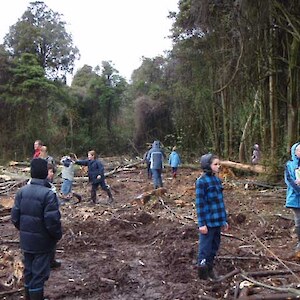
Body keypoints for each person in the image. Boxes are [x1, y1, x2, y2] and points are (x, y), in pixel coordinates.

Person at [11, 158, 62, 300]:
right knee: (39, 274)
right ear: (45, 172)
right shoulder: (48, 194)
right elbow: (52, 222)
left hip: (26, 242)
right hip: (42, 243)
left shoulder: (21, 192)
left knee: (29, 272)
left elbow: (15, 218)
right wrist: (56, 235)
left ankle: (29, 297)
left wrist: (25, 231)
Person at [195, 153, 228, 281]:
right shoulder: (201, 181)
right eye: (215, 164)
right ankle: (202, 274)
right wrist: (201, 223)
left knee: (214, 246)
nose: (218, 166)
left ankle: (210, 269)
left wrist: (224, 220)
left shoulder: (217, 180)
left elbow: (220, 202)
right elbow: (200, 204)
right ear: (207, 166)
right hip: (208, 222)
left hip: (218, 220)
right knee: (205, 248)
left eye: (219, 164)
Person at [285, 142, 300, 256]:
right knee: (298, 222)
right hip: (295, 198)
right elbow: (289, 181)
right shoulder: (289, 165)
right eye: (298, 150)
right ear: (294, 152)